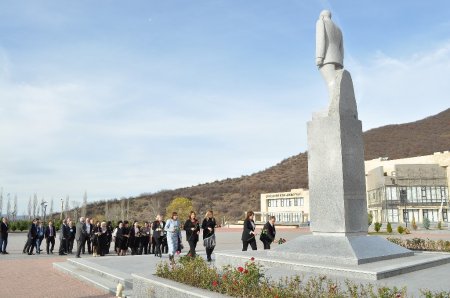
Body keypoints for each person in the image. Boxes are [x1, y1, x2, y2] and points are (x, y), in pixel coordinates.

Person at [315, 10, 344, 102]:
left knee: (331, 83)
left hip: (327, 58)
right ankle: (337, 106)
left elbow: (321, 39)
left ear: (322, 16)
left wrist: (319, 57)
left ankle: (332, 107)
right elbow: (341, 48)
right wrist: (341, 61)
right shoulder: (339, 29)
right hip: (338, 59)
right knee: (338, 84)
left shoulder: (321, 22)